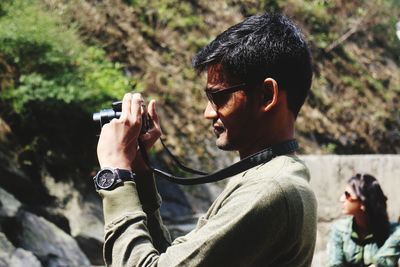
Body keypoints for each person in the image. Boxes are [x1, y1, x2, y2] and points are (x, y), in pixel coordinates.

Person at [95, 12, 317, 266]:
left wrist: (114, 173)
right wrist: (139, 170)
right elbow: (171, 260)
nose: (207, 113)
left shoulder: (270, 189)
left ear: (267, 95)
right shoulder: (274, 177)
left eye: (219, 97)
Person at [327, 173, 400, 267]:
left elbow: (382, 262)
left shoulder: (394, 232)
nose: (342, 199)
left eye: (347, 195)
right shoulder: (339, 230)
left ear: (363, 201)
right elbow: (334, 264)